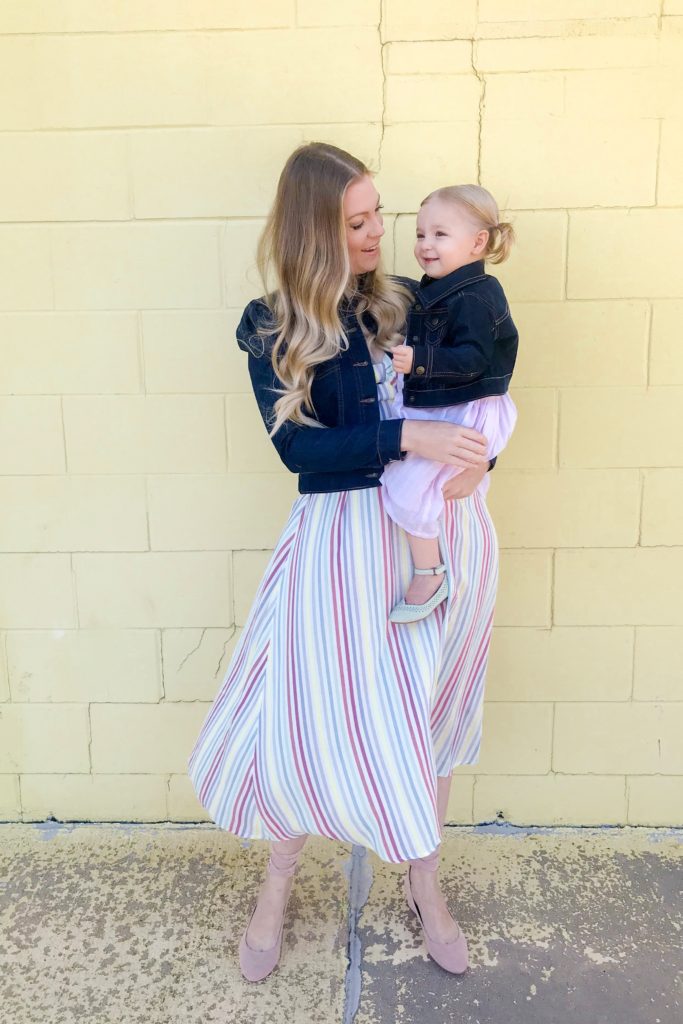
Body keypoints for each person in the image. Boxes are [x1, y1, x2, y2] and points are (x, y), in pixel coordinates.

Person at [187, 143, 500, 982]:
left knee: (425, 721)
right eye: (357, 222)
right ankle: (277, 886)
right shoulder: (270, 323)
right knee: (305, 716)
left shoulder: (410, 301)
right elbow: (299, 452)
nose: (379, 233)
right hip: (337, 547)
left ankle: (424, 888)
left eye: (378, 215)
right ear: (315, 231)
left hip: (435, 536)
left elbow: (476, 389)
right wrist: (407, 435)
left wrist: (479, 458)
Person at [383, 185, 518, 623]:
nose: (425, 245)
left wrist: (420, 360)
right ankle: (435, 564)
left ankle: (430, 571)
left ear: (478, 242)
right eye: (421, 234)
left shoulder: (476, 296)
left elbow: (474, 359)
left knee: (407, 488)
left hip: (466, 406)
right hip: (450, 404)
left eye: (440, 234)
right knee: (417, 481)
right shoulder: (440, 291)